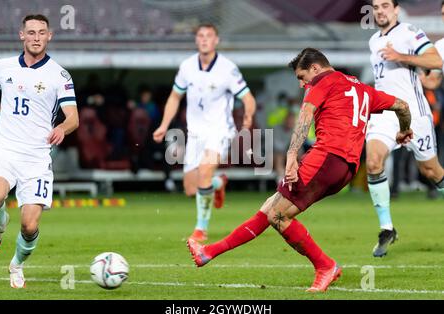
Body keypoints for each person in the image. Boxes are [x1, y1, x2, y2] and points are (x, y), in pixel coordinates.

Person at [187, 48, 412, 292]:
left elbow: (305, 115)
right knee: (269, 209)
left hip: (325, 158)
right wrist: (404, 130)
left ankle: (326, 266)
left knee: (278, 216)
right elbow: (401, 105)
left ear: (315, 68)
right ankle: (208, 252)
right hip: (346, 167)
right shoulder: (362, 88)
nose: (303, 84)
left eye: (302, 77)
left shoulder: (324, 81)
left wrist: (292, 156)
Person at [0, 14, 79, 288]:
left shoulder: (59, 75)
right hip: (4, 148)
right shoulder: (2, 67)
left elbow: (73, 117)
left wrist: (62, 129)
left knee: (29, 226)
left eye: (41, 33)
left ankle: (16, 265)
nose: (36, 37)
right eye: (30, 32)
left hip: (36, 158)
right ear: (22, 36)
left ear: (49, 36)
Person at [153, 23, 256, 242]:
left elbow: (247, 97)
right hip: (195, 134)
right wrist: (164, 125)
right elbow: (174, 97)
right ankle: (219, 183)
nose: (204, 39)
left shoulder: (228, 68)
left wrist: (248, 116)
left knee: (205, 171)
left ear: (216, 40)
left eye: (209, 36)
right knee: (191, 189)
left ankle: (201, 228)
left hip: (220, 131)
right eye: (200, 35)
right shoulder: (187, 66)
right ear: (196, 40)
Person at [366, 0, 444, 257]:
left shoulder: (409, 32)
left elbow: (435, 59)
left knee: (431, 171)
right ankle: (387, 228)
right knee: (373, 162)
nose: (380, 11)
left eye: (385, 5)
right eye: (376, 6)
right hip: (386, 114)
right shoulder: (374, 42)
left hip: (415, 114)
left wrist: (401, 57)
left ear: (396, 9)